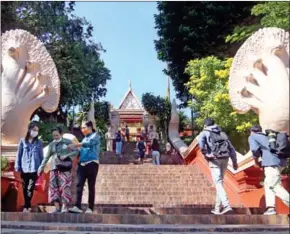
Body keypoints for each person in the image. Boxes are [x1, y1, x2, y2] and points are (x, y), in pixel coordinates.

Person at [198, 118, 238, 215]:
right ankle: (217, 208)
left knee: (218, 183)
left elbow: (201, 145)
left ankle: (226, 205)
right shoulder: (222, 133)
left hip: (215, 159)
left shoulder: (204, 133)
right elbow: (231, 148)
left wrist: (207, 155)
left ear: (205, 125)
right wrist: (234, 161)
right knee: (219, 183)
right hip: (225, 158)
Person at [248, 125, 290, 215]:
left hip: (271, 163)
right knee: (268, 184)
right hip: (279, 162)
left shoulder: (253, 136)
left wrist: (256, 161)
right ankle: (271, 207)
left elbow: (255, 150)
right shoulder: (267, 137)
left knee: (274, 186)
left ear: (251, 131)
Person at [38, 127, 78, 213]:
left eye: (57, 135)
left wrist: (67, 155)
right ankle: (57, 207)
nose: (55, 137)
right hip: (53, 167)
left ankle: (64, 206)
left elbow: (76, 151)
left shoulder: (67, 142)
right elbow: (47, 157)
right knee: (53, 187)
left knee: (65, 186)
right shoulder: (52, 144)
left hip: (65, 167)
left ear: (61, 134)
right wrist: (41, 167)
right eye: (54, 136)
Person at [69, 121, 100, 214]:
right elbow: (81, 150)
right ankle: (77, 206)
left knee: (91, 185)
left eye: (84, 127)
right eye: (81, 128)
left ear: (90, 127)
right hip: (82, 164)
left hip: (92, 163)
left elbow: (89, 144)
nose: (82, 130)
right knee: (79, 184)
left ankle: (90, 208)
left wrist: (76, 144)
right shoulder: (84, 139)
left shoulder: (95, 136)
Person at [15, 122, 44, 212]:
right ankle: (27, 205)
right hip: (24, 168)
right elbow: (19, 154)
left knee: (30, 187)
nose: (35, 132)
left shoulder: (39, 142)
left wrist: (41, 167)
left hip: (35, 169)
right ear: (29, 130)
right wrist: (17, 166)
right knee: (24, 187)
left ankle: (27, 205)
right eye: (34, 130)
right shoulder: (22, 141)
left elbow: (41, 156)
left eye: (37, 130)